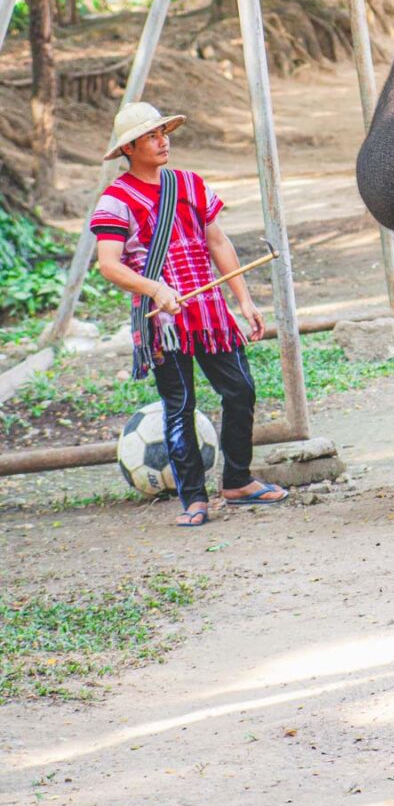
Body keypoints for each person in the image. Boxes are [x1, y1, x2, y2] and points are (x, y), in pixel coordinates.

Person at [91, 101, 286, 527]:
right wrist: (155, 289)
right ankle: (194, 499)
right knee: (179, 406)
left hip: (210, 313)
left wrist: (244, 299)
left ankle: (237, 481)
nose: (163, 141)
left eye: (163, 133)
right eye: (151, 136)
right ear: (129, 148)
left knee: (241, 390)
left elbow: (217, 242)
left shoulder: (190, 183)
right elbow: (109, 264)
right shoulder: (115, 200)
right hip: (164, 322)